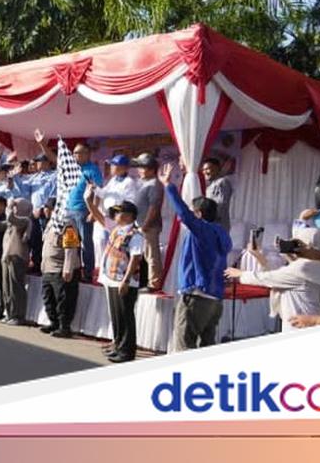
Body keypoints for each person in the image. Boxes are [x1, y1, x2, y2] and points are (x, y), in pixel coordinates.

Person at [160, 162, 232, 352]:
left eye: (194, 212)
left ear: (199, 214)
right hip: (215, 298)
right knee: (207, 345)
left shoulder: (203, 230)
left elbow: (183, 213)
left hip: (197, 296)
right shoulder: (221, 232)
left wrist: (169, 186)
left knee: (185, 345)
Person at [224, 225, 320, 332]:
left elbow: (268, 278)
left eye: (297, 243)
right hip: (313, 320)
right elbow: (282, 274)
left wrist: (241, 274)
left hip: (300, 324)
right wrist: (259, 256)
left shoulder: (302, 268)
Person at [35, 130, 103, 282]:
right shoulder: (71, 165)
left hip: (83, 211)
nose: (75, 156)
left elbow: (99, 192)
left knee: (86, 244)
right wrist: (42, 144)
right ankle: (75, 270)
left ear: (87, 153)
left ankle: (88, 274)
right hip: (68, 211)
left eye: (78, 153)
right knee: (71, 243)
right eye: (74, 153)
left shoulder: (92, 169)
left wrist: (94, 212)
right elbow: (54, 158)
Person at [88, 199, 144, 362]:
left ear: (129, 216)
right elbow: (99, 217)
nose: (116, 215)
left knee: (125, 316)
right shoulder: (117, 229)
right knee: (116, 316)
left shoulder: (135, 234)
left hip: (123, 280)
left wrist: (126, 281)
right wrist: (89, 201)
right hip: (111, 278)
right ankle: (118, 345)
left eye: (119, 212)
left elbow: (135, 258)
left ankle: (127, 351)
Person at [39, 198, 80, 338]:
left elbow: (71, 247)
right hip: (48, 268)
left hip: (61, 268)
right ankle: (54, 323)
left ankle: (64, 327)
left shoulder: (67, 224)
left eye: (50, 208)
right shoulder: (51, 223)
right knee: (48, 299)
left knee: (63, 300)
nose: (46, 210)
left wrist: (68, 267)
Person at [131, 153, 165, 290]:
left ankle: (154, 284)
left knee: (152, 255)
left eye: (142, 167)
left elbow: (154, 207)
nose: (139, 170)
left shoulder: (155, 184)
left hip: (149, 227)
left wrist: (145, 225)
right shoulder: (144, 182)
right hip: (140, 225)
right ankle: (144, 281)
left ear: (151, 169)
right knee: (143, 255)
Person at [0, 197, 33, 325]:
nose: (14, 207)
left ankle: (18, 315)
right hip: (6, 256)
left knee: (16, 288)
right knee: (6, 287)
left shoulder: (25, 220)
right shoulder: (12, 221)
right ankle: (9, 313)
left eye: (16, 205)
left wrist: (9, 206)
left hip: (17, 257)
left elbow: (11, 218)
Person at [26, 153, 57, 274]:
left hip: (46, 212)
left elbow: (55, 193)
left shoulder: (54, 175)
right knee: (35, 239)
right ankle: (36, 264)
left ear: (47, 162)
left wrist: (46, 206)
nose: (37, 164)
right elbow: (24, 190)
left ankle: (46, 266)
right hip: (33, 212)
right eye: (37, 162)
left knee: (46, 240)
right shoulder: (34, 177)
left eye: (40, 161)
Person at [201, 157, 234, 232]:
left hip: (219, 226)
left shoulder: (223, 182)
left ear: (217, 168)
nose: (205, 172)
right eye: (203, 170)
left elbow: (222, 205)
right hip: (210, 225)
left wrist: (205, 214)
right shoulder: (209, 187)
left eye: (207, 169)